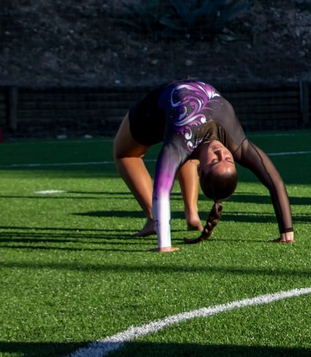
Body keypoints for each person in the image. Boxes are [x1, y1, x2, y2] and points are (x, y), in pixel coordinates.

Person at [113, 80, 293, 251]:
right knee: (189, 151)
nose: (221, 153)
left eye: (215, 161)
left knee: (125, 154)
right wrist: (287, 231)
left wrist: (164, 244)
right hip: (180, 102)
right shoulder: (238, 146)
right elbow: (274, 181)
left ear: (201, 170)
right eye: (228, 159)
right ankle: (191, 214)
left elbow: (162, 187)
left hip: (152, 114)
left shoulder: (180, 141)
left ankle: (154, 218)